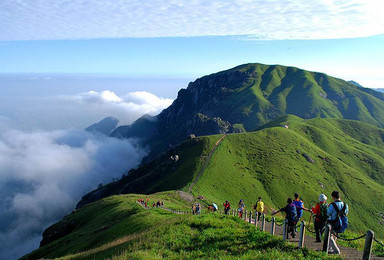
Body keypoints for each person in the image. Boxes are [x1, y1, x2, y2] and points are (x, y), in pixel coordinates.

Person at [327, 190, 349, 255]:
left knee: (330, 236)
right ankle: (331, 249)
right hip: (341, 223)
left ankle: (336, 251)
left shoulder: (332, 205)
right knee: (335, 235)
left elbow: (328, 213)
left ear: (333, 197)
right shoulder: (345, 205)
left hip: (333, 222)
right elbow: (346, 213)